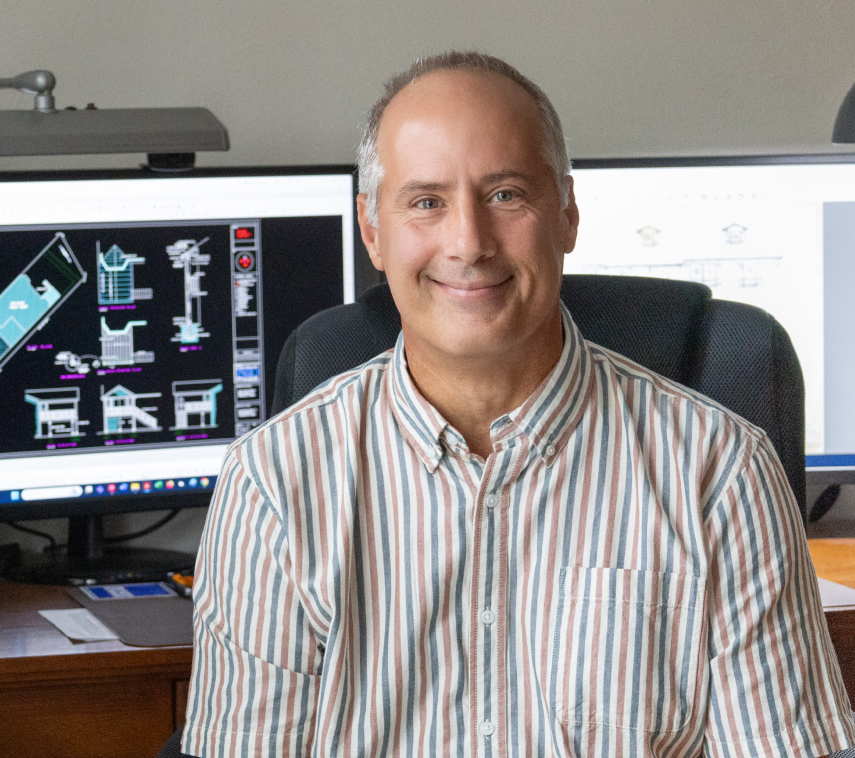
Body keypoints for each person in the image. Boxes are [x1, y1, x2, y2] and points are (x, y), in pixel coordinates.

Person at [182, 51, 855, 758]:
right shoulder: (275, 482)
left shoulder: (721, 473)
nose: (469, 243)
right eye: (426, 202)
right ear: (373, 231)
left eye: (505, 195)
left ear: (567, 215)